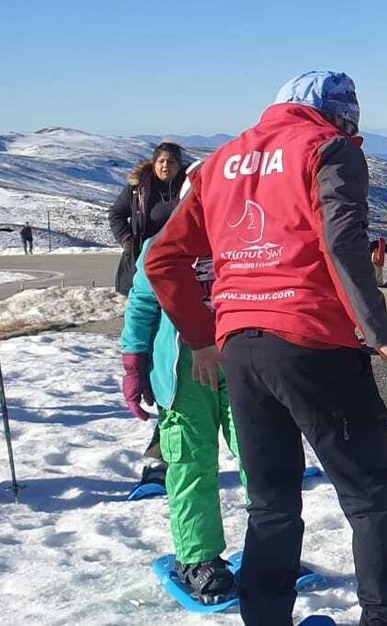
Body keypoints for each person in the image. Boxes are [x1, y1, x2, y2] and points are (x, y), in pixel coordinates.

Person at [146, 71, 387, 626]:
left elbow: (162, 259)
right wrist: (378, 331)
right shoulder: (328, 149)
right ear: (338, 116)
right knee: (372, 495)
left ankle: (266, 618)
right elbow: (342, 242)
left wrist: (202, 334)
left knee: (271, 502)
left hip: (241, 347)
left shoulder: (219, 162)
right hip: (313, 340)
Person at [122, 237, 243, 605]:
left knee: (262, 459)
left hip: (243, 360)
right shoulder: (163, 243)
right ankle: (199, 557)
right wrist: (134, 361)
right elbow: (143, 303)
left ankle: (271, 545)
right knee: (191, 462)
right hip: (183, 370)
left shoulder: (246, 233)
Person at [109, 141, 188, 293]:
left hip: (179, 258)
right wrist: (127, 240)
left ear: (179, 165)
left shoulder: (188, 187)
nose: (166, 166)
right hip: (144, 257)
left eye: (171, 162)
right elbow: (116, 213)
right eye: (161, 161)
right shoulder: (138, 187)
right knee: (144, 303)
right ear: (154, 164)